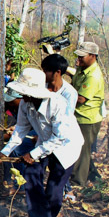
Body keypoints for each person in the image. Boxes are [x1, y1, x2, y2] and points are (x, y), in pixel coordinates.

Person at [0, 68, 84, 217]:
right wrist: (5, 151)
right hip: (45, 143)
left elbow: (59, 138)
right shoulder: (25, 105)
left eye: (26, 93)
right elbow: (20, 129)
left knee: (54, 186)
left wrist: (33, 154)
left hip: (67, 146)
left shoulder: (57, 104)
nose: (24, 97)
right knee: (31, 174)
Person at [41, 54, 79, 201]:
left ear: (57, 72)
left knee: (56, 179)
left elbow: (65, 122)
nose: (44, 74)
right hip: (44, 136)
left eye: (46, 71)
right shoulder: (42, 88)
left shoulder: (70, 93)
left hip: (62, 140)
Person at [71, 42, 105, 186]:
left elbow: (80, 98)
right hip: (78, 116)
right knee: (80, 149)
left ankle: (79, 181)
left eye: (82, 56)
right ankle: (94, 176)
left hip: (87, 119)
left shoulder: (93, 76)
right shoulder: (82, 68)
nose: (79, 59)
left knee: (83, 151)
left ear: (92, 56)